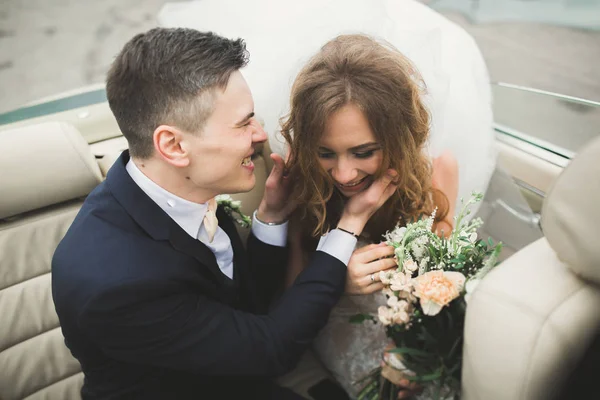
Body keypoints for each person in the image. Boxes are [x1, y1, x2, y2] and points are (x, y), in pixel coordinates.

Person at [51, 28, 398, 400]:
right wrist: (348, 226)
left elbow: (243, 306)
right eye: (244, 123)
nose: (261, 134)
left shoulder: (181, 190)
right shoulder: (117, 284)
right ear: (173, 145)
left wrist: (272, 215)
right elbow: (271, 350)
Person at [280, 34, 459, 398]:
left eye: (363, 152)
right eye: (325, 153)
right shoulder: (301, 180)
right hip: (336, 330)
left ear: (397, 139)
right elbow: (288, 307)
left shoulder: (437, 174)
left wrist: (414, 348)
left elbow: (441, 283)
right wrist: (338, 283)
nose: (344, 174)